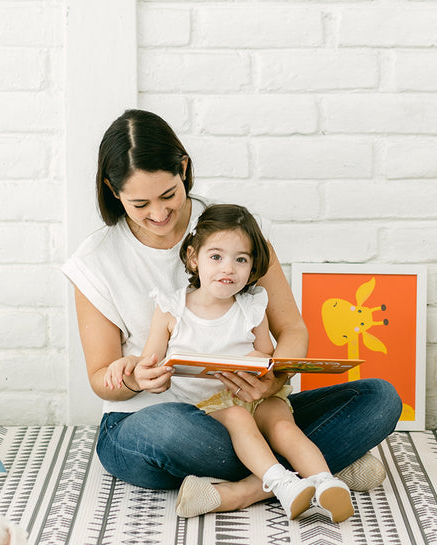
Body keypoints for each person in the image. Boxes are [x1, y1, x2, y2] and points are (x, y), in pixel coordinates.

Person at [62, 109, 401, 518]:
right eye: (139, 203)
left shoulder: (236, 232)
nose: (158, 214)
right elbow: (103, 379)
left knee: (379, 398)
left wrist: (276, 375)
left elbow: (291, 327)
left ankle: (246, 490)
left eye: (168, 195)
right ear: (113, 192)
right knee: (164, 431)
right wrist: (134, 379)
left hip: (256, 411)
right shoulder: (96, 260)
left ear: (183, 168)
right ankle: (320, 469)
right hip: (161, 423)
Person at [105, 204, 355, 523]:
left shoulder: (252, 307)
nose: (228, 268)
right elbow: (149, 361)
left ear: (252, 268)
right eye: (216, 257)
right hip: (211, 407)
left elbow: (266, 354)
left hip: (258, 395)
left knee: (283, 426)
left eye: (241, 259)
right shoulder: (171, 308)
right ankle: (283, 483)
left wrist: (263, 363)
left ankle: (325, 482)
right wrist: (129, 365)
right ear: (194, 258)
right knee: (237, 418)